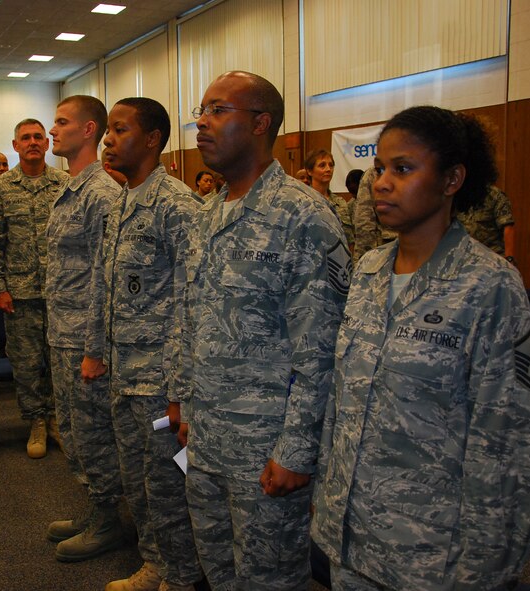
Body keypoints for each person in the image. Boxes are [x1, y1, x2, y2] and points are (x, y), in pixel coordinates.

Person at [311, 105, 530, 590]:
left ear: (452, 179)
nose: (381, 183)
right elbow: (343, 396)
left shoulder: (489, 285)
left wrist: (484, 565)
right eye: (379, 169)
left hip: (432, 552)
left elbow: (505, 439)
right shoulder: (369, 271)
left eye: (403, 169)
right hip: (350, 535)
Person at [179, 71, 350, 590]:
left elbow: (322, 349)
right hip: (207, 439)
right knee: (218, 570)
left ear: (260, 123)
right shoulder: (209, 212)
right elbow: (192, 321)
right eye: (200, 111)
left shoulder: (303, 217)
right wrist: (186, 405)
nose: (201, 124)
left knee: (268, 579)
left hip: (265, 449)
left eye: (217, 110)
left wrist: (297, 449)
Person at [85, 97, 202, 591]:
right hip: (123, 373)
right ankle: (156, 563)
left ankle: (179, 576)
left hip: (159, 380)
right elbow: (106, 287)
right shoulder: (122, 203)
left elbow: (190, 304)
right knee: (140, 482)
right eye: (107, 130)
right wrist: (98, 350)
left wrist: (179, 390)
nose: (108, 140)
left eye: (119, 130)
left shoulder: (177, 207)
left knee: (167, 486)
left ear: (152, 139)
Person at [44, 95, 124, 563]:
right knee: (73, 432)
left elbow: (105, 276)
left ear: (89, 129)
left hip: (84, 340)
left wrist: (95, 346)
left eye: (61, 122)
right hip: (62, 331)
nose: (53, 131)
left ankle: (109, 521)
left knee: (93, 434)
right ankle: (96, 508)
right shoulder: (70, 187)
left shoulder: (101, 194)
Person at [0, 119, 67, 459]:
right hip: (19, 295)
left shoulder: (65, 184)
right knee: (27, 362)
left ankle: (57, 420)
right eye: (25, 138)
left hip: (60, 292)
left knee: (59, 361)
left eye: (38, 137)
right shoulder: (0, 189)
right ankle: (35, 421)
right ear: (15, 146)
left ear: (46, 144)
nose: (32, 142)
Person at [306, 148, 354, 250]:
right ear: (310, 171)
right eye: (322, 165)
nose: (328, 169)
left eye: (331, 165)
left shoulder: (340, 203)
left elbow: (349, 240)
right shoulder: (303, 201)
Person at [456, 184, 516, 263]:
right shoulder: (458, 195)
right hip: (464, 257)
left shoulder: (495, 195)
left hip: (492, 258)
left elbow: (507, 226)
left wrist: (509, 258)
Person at [352, 166, 397, 261]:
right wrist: (366, 260)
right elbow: (364, 221)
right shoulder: (373, 174)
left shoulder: (422, 170)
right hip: (384, 252)